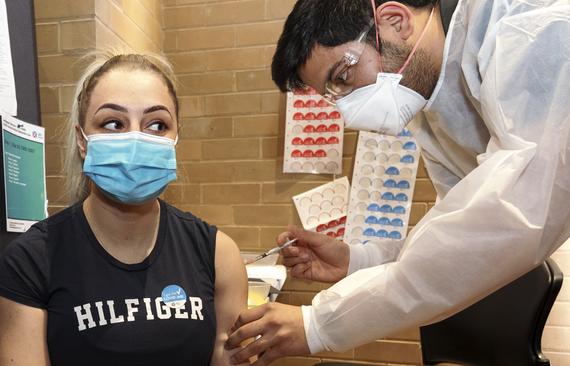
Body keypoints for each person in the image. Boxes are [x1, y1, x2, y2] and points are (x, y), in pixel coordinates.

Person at [226, 0, 570, 364]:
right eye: (330, 97)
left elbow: (511, 217)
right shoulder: (433, 104)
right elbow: (458, 232)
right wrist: (359, 260)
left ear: (395, 20)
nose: (344, 113)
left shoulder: (528, 28)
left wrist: (319, 324)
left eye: (342, 77)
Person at [0, 52, 248, 366]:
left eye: (157, 125)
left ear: (176, 137)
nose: (136, 141)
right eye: (113, 123)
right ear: (82, 141)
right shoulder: (31, 260)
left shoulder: (219, 255)